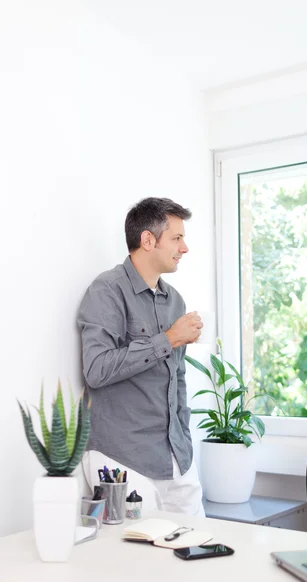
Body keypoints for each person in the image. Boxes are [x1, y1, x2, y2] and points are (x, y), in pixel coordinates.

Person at [77, 197, 205, 516]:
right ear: (148, 240)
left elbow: (177, 378)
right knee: (138, 564)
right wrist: (169, 338)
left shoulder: (174, 300)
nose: (184, 247)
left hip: (178, 459)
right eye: (177, 238)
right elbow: (97, 369)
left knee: (198, 554)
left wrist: (184, 436)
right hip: (123, 460)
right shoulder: (106, 291)